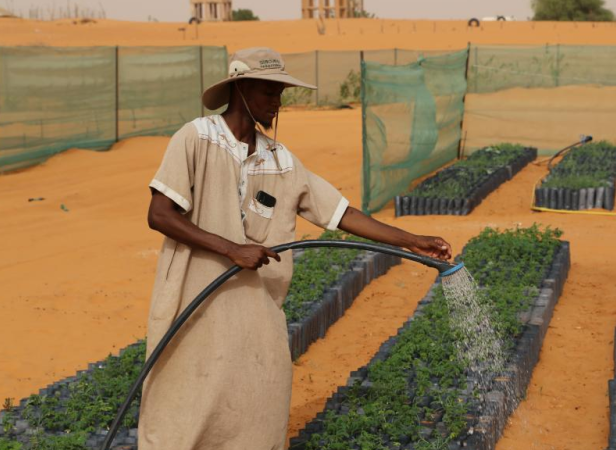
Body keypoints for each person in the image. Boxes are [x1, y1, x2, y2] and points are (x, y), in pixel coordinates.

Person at [138, 47, 453, 450]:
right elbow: (160, 214)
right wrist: (232, 248)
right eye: (269, 92)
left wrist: (415, 241)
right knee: (183, 398)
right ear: (241, 90)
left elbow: (343, 213)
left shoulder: (280, 160)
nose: (277, 102)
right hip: (195, 302)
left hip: (255, 307)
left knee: (259, 395)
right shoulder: (196, 138)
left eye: (280, 92)